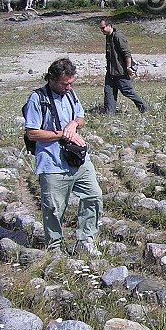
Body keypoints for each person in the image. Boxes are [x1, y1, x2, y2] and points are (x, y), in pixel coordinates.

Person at [24, 58, 103, 255]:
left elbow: (81, 117)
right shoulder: (37, 99)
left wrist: (73, 125)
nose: (68, 87)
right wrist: (62, 134)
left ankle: (85, 240)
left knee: (94, 195)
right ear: (51, 79)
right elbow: (32, 133)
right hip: (51, 163)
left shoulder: (70, 94)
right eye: (64, 83)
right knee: (53, 208)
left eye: (70, 83)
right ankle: (56, 248)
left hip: (77, 159)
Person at [100, 19, 148, 115]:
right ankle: (109, 113)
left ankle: (144, 108)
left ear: (109, 25)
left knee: (127, 91)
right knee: (109, 92)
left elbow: (127, 53)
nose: (102, 30)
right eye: (101, 28)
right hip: (110, 71)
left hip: (120, 71)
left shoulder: (118, 36)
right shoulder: (108, 37)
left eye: (103, 27)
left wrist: (128, 67)